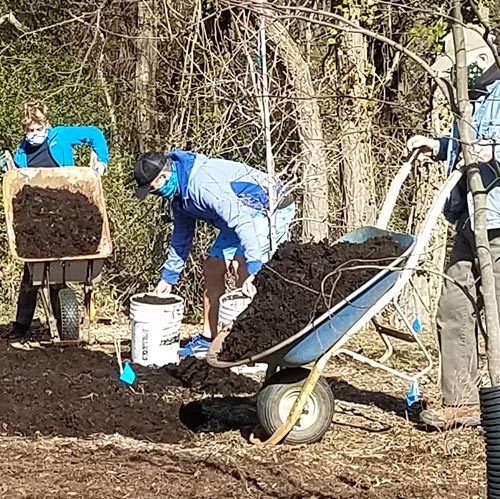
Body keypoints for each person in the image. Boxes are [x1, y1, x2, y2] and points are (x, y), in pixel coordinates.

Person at [407, 26, 500, 428]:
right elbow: (468, 144)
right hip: (470, 222)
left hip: (498, 222)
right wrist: (439, 145)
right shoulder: (475, 100)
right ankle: (462, 402)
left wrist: (485, 152)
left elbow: (486, 148)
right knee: (453, 307)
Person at [134, 150, 295, 358]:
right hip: (242, 212)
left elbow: (242, 221)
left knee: (242, 266)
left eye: (153, 189)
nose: (154, 194)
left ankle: (250, 345)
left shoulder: (202, 185)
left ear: (164, 177)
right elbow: (182, 236)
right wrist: (168, 278)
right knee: (212, 267)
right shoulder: (179, 197)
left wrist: (255, 266)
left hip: (270, 204)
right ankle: (207, 338)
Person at [6, 100, 110, 340]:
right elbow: (20, 186)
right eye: (29, 130)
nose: (34, 134)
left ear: (46, 123)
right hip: (38, 216)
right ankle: (22, 325)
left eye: (38, 128)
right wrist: (10, 170)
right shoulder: (23, 151)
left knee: (60, 270)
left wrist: (101, 161)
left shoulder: (60, 135)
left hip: (66, 208)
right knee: (33, 271)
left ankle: (63, 321)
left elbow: (94, 134)